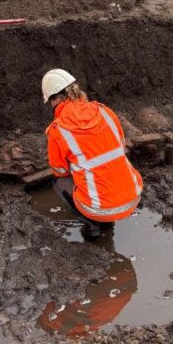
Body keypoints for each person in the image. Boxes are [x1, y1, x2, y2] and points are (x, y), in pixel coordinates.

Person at [41, 68, 143, 239]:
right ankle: (107, 222)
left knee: (60, 182)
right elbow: (120, 145)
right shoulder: (104, 111)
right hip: (133, 196)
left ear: (57, 98)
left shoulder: (58, 129)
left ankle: (92, 223)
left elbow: (60, 170)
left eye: (50, 101)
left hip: (98, 208)